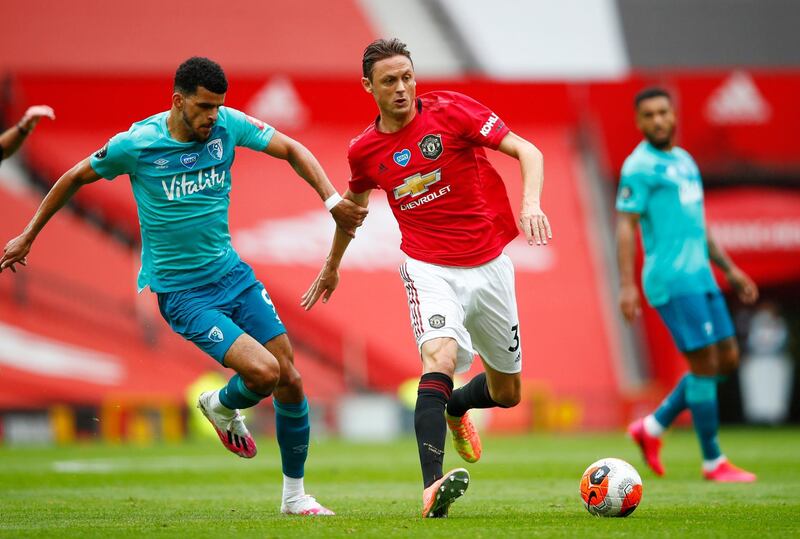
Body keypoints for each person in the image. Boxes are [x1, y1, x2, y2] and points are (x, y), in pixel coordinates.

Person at [0, 57, 367, 514]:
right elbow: (74, 177)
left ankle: (295, 497)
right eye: (204, 106)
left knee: (291, 378)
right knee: (266, 374)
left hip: (233, 275)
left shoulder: (228, 126)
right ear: (178, 100)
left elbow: (292, 148)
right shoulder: (137, 144)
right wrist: (28, 235)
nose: (213, 116)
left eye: (218, 107)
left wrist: (331, 200)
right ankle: (219, 402)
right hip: (184, 294)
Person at [301, 38, 551, 517]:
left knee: (507, 393)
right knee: (439, 355)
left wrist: (530, 202)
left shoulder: (452, 112)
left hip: (490, 263)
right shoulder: (364, 151)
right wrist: (332, 265)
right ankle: (432, 487)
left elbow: (527, 150)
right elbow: (352, 212)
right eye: (389, 81)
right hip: (428, 266)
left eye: (408, 77)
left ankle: (457, 408)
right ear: (368, 86)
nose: (401, 89)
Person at [617, 87, 759, 482]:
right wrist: (626, 284)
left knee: (726, 360)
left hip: (703, 274)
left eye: (663, 112)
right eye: (649, 115)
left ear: (674, 115)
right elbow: (626, 225)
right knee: (704, 365)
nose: (658, 120)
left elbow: (700, 223)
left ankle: (653, 426)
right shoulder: (639, 167)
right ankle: (714, 461)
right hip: (672, 278)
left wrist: (729, 269)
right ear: (639, 122)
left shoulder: (685, 161)